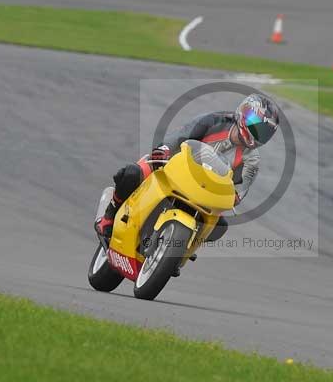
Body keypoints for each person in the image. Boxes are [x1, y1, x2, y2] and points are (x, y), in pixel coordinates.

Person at [95, 94, 280, 267]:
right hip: (174, 166)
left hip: (205, 191)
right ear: (244, 115)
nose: (258, 135)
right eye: (257, 127)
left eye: (264, 133)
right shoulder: (214, 120)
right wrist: (165, 149)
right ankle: (108, 218)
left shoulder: (252, 162)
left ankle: (179, 251)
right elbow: (180, 135)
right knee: (131, 174)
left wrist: (230, 198)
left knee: (219, 226)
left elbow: (237, 194)